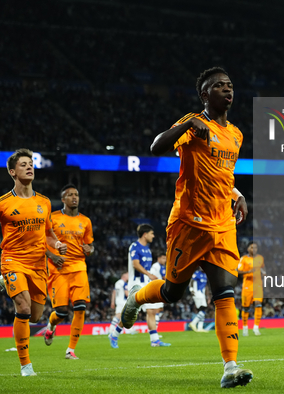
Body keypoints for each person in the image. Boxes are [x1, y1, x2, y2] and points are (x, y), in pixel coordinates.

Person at [119, 67, 252, 388]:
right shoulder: (193, 126)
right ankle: (138, 297)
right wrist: (187, 123)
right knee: (171, 292)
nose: (227, 89)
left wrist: (238, 193)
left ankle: (230, 366)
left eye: (230, 85)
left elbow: (221, 175)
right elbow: (155, 148)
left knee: (225, 293)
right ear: (205, 95)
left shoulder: (236, 134)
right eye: (219, 86)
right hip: (188, 225)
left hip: (222, 225)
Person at [0, 148, 67, 376]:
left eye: (31, 164)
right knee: (24, 308)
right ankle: (26, 366)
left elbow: (48, 234)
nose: (29, 167)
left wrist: (56, 245)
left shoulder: (45, 202)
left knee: (35, 316)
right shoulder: (2, 203)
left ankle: (5, 283)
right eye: (23, 164)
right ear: (12, 172)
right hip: (13, 260)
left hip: (38, 264)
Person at [43, 184, 94, 360]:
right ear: (63, 199)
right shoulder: (53, 218)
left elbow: (90, 245)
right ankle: (50, 325)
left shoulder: (86, 221)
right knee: (61, 312)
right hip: (58, 270)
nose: (74, 197)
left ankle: (70, 350)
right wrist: (52, 255)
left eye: (77, 194)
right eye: (70, 195)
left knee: (80, 307)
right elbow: (40, 242)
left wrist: (90, 250)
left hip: (79, 267)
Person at [108, 224, 170, 348]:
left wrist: (149, 277)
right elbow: (135, 264)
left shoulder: (147, 249)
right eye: (152, 234)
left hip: (146, 283)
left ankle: (155, 340)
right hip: (136, 284)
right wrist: (150, 274)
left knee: (152, 311)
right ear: (145, 234)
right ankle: (114, 334)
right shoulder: (135, 247)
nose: (153, 236)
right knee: (130, 314)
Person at [237, 243, 266, 336]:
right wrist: (248, 271)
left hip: (258, 285)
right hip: (247, 286)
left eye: (256, 247)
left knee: (258, 304)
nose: (254, 249)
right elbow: (238, 270)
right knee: (246, 308)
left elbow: (263, 267)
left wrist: (264, 273)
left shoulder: (260, 258)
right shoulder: (244, 259)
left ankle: (256, 328)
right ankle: (245, 328)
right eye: (252, 247)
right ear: (248, 248)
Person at [189, 268, 209, 332]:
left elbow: (205, 286)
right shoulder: (197, 273)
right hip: (197, 293)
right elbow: (191, 281)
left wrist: (207, 296)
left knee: (202, 310)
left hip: (202, 295)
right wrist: (191, 290)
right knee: (203, 309)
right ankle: (193, 323)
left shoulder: (205, 275)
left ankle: (200, 328)